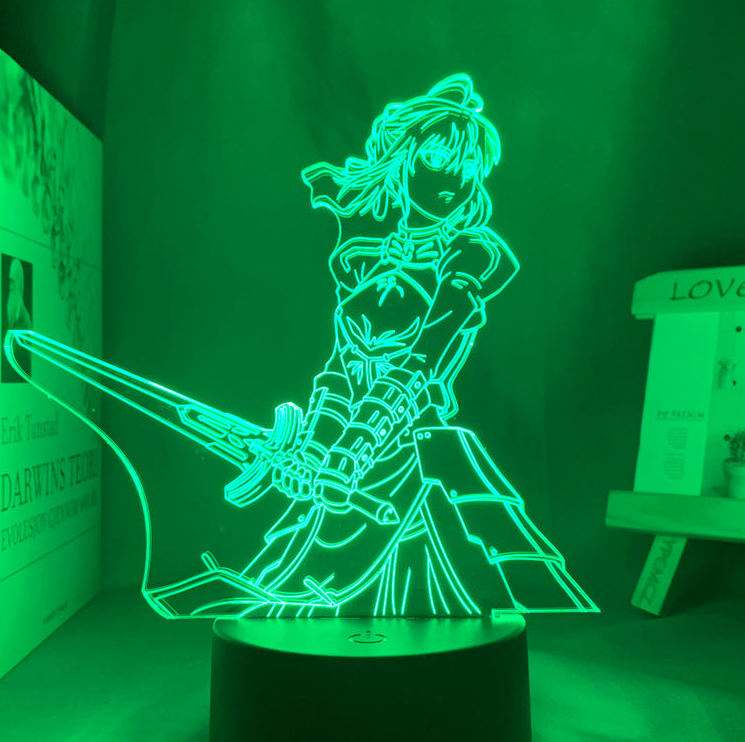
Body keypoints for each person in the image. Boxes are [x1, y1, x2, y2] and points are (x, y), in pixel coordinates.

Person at [161, 74, 596, 617]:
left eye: (466, 171)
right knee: (299, 573)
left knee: (436, 569)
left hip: (411, 439)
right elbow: (341, 367)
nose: (451, 183)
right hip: (348, 437)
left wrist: (350, 454)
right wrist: (313, 446)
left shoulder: (474, 256)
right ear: (403, 159)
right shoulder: (362, 256)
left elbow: (421, 362)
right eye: (435, 162)